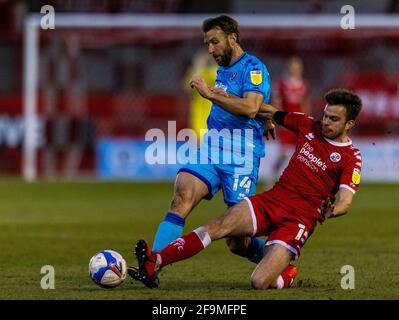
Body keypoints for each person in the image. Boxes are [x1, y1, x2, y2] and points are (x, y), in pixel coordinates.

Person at [133, 88, 362, 289]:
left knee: (259, 282)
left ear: (349, 124)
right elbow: (267, 111)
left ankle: (285, 275)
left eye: (333, 119)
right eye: (325, 115)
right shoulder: (308, 125)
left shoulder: (351, 157)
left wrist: (335, 210)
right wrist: (226, 97)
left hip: (299, 219)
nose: (326, 122)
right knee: (218, 227)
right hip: (272, 201)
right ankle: (156, 261)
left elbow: (346, 199)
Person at [128, 15, 275, 282]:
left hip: (241, 155)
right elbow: (239, 102)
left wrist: (210, 95)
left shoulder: (253, 68)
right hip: (212, 146)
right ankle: (154, 265)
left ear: (233, 38)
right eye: (207, 43)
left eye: (214, 42)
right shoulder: (221, 69)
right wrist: (265, 116)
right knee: (181, 195)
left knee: (237, 242)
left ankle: (277, 259)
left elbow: (250, 107)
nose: (210, 49)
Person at [272, 56, 311, 180]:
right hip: (287, 123)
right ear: (289, 68)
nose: (296, 69)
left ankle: (298, 180)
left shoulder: (303, 84)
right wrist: (279, 120)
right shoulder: (281, 83)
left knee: (301, 153)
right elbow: (277, 103)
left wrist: (307, 120)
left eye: (298, 67)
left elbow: (305, 103)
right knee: (284, 152)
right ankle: (273, 174)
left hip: (299, 123)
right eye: (293, 67)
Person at [182, 49, 218, 142]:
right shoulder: (199, 73)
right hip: (199, 120)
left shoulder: (217, 72)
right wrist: (198, 66)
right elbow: (186, 86)